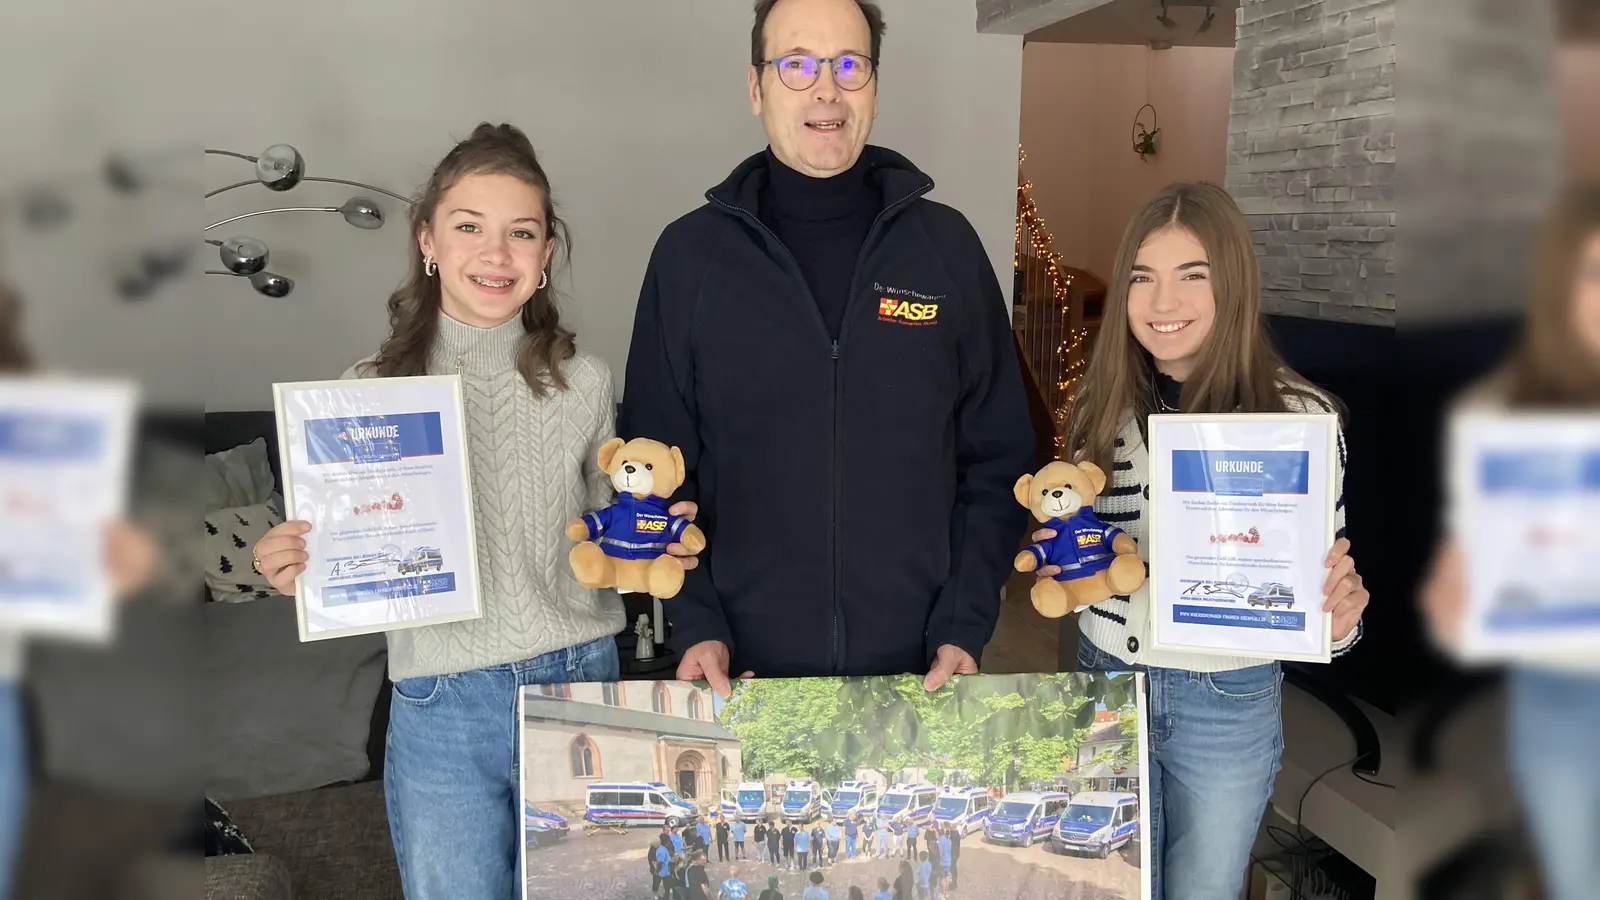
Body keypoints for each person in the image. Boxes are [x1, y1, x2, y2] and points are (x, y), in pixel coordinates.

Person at [248, 123, 701, 900]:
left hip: (576, 680)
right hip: (441, 699)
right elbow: (339, 545)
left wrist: (655, 543)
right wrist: (288, 562)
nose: (497, 254)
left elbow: (605, 528)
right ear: (427, 239)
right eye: (469, 228)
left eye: (521, 232)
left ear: (546, 252)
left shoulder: (584, 381)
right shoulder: (366, 391)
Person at [620, 0, 1034, 694]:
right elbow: (654, 468)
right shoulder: (690, 258)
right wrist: (696, 624)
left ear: (874, 84)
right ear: (756, 87)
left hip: (922, 675)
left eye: (850, 64)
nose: (826, 89)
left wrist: (964, 622)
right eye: (797, 65)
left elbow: (998, 458)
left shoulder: (947, 250)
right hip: (740, 674)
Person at [1036, 182, 1369, 900]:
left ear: (1234, 286)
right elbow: (1080, 544)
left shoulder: (1301, 418)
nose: (1164, 304)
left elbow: (1326, 594)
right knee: (1108, 884)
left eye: (1193, 277)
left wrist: (1339, 619)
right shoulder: (1102, 405)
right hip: (1107, 677)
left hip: (1227, 697)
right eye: (1143, 279)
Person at [1418, 184, 1600, 900]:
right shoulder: (1494, 415)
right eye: (1593, 273)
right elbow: (1476, 627)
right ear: (1558, 284)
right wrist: (1452, 613)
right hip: (1556, 695)